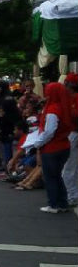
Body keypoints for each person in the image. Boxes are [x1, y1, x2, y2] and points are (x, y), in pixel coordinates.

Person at [28, 82, 73, 213]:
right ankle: (62, 203)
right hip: (64, 145)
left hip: (52, 147)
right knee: (58, 176)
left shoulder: (52, 109)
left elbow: (49, 131)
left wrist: (37, 143)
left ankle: (53, 204)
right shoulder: (64, 107)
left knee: (50, 177)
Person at [61, 73, 78, 207]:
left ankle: (72, 196)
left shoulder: (75, 98)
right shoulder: (70, 98)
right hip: (72, 133)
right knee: (72, 167)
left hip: (74, 134)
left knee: (68, 168)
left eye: (66, 83)